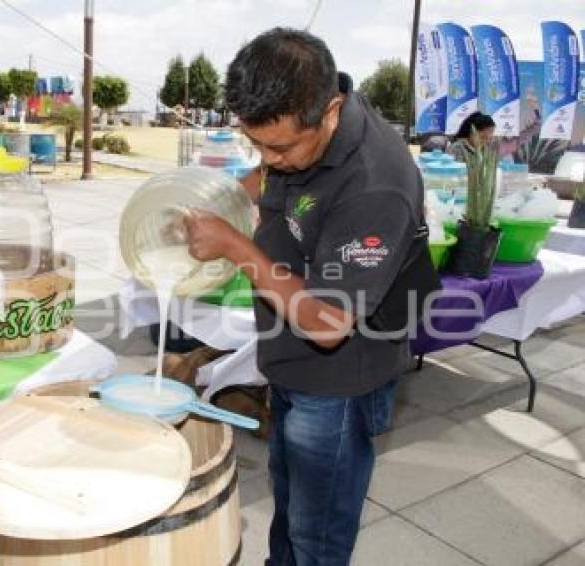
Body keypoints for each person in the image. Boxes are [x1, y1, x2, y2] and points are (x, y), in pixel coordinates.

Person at [184, 28, 433, 565]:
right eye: (257, 145)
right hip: (288, 358)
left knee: (316, 530)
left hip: (339, 380)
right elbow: (266, 173)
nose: (268, 161)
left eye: (278, 147)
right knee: (290, 499)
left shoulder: (375, 184)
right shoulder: (306, 119)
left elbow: (326, 324)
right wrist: (225, 199)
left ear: (331, 111)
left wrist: (234, 246)